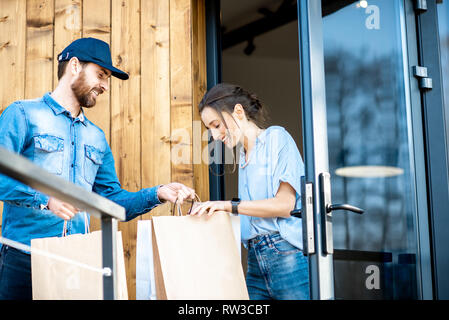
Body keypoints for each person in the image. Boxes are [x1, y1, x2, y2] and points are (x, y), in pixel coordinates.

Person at [0, 37, 195, 300]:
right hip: (23, 259)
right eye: (101, 75)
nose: (104, 86)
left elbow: (112, 202)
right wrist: (46, 200)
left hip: (76, 261)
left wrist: (158, 193)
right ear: (75, 66)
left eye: (107, 79)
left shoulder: (96, 138)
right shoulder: (22, 114)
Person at [190, 83, 309, 300]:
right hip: (254, 261)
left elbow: (284, 205)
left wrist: (228, 205)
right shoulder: (243, 155)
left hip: (286, 256)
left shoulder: (276, 138)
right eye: (210, 130)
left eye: (216, 125)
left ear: (238, 112)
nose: (215, 136)